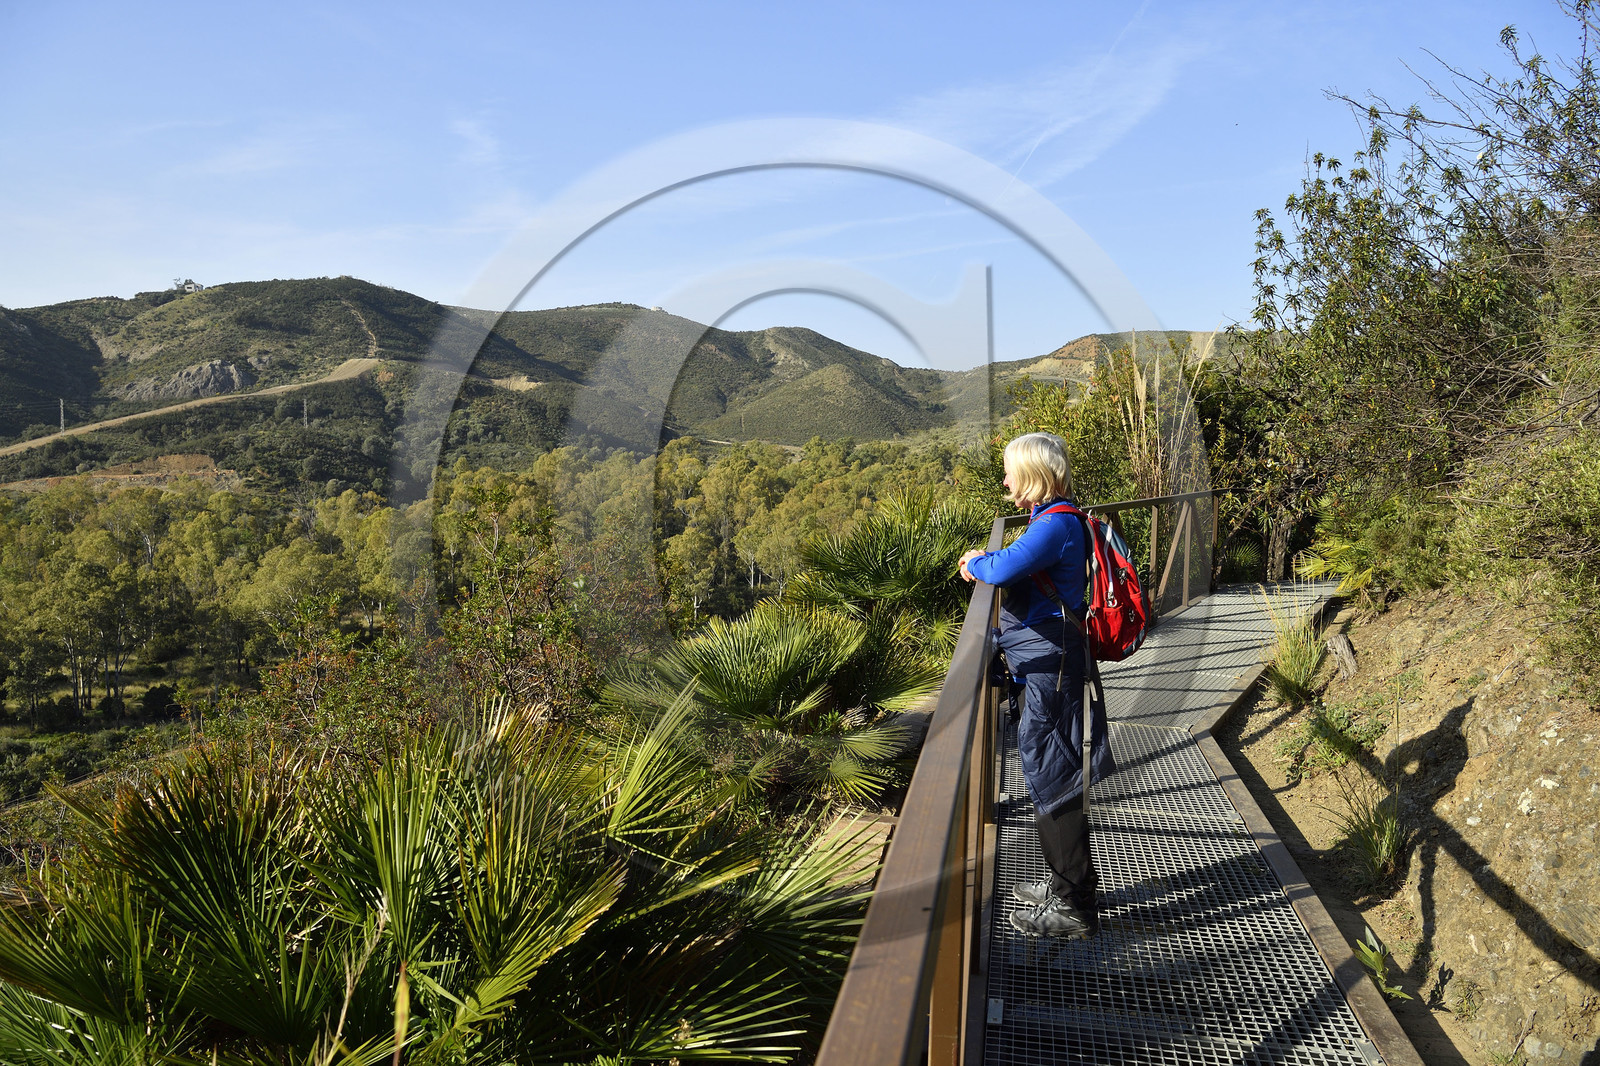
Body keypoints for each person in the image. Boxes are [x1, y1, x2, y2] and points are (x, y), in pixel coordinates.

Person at [958, 431, 1114, 939]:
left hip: (1053, 665)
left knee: (1054, 776)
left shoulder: (1056, 525)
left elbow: (1003, 567)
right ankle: (1064, 882)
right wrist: (988, 563)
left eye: (1010, 472)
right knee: (1048, 770)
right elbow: (1017, 564)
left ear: (1030, 474)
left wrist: (974, 562)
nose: (1005, 481)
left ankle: (1075, 907)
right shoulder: (1051, 519)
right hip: (1047, 662)